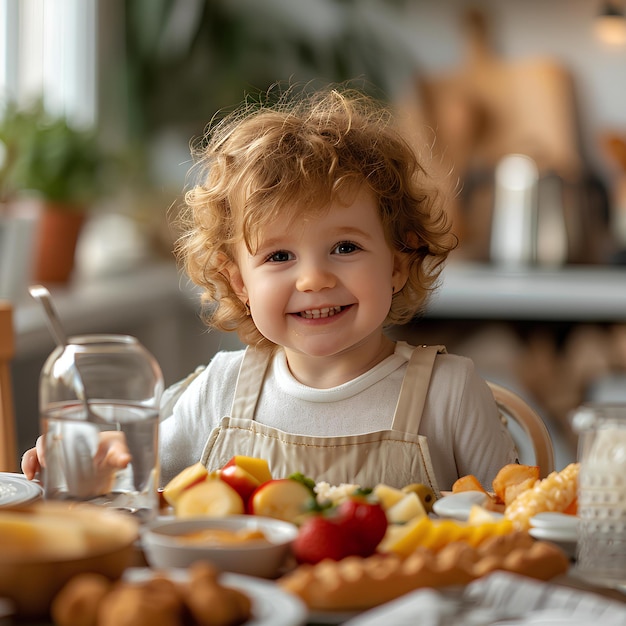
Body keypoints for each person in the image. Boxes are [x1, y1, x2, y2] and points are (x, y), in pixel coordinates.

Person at [23, 83, 518, 494]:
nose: (313, 279)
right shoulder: (220, 391)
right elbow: (130, 477)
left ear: (399, 261)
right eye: (279, 256)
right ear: (239, 282)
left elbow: (515, 521)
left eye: (345, 247)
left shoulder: (450, 394)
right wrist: (90, 460)